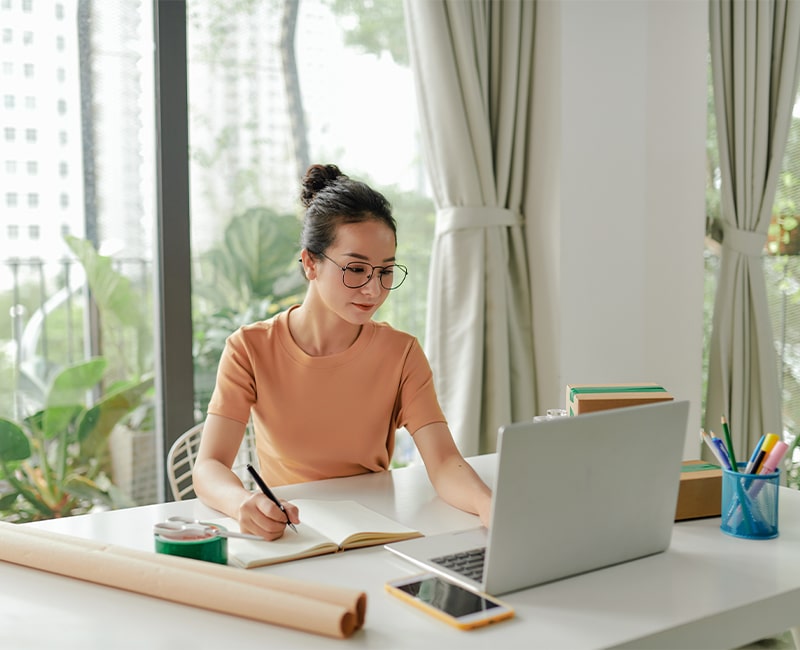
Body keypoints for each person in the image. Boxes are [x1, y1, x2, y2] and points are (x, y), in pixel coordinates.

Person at [193, 163, 492, 540]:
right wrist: (241, 503)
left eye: (385, 271)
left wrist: (488, 505)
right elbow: (210, 465)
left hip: (376, 531)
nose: (373, 289)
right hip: (293, 533)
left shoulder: (401, 354)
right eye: (355, 269)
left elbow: (445, 462)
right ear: (309, 263)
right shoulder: (249, 349)